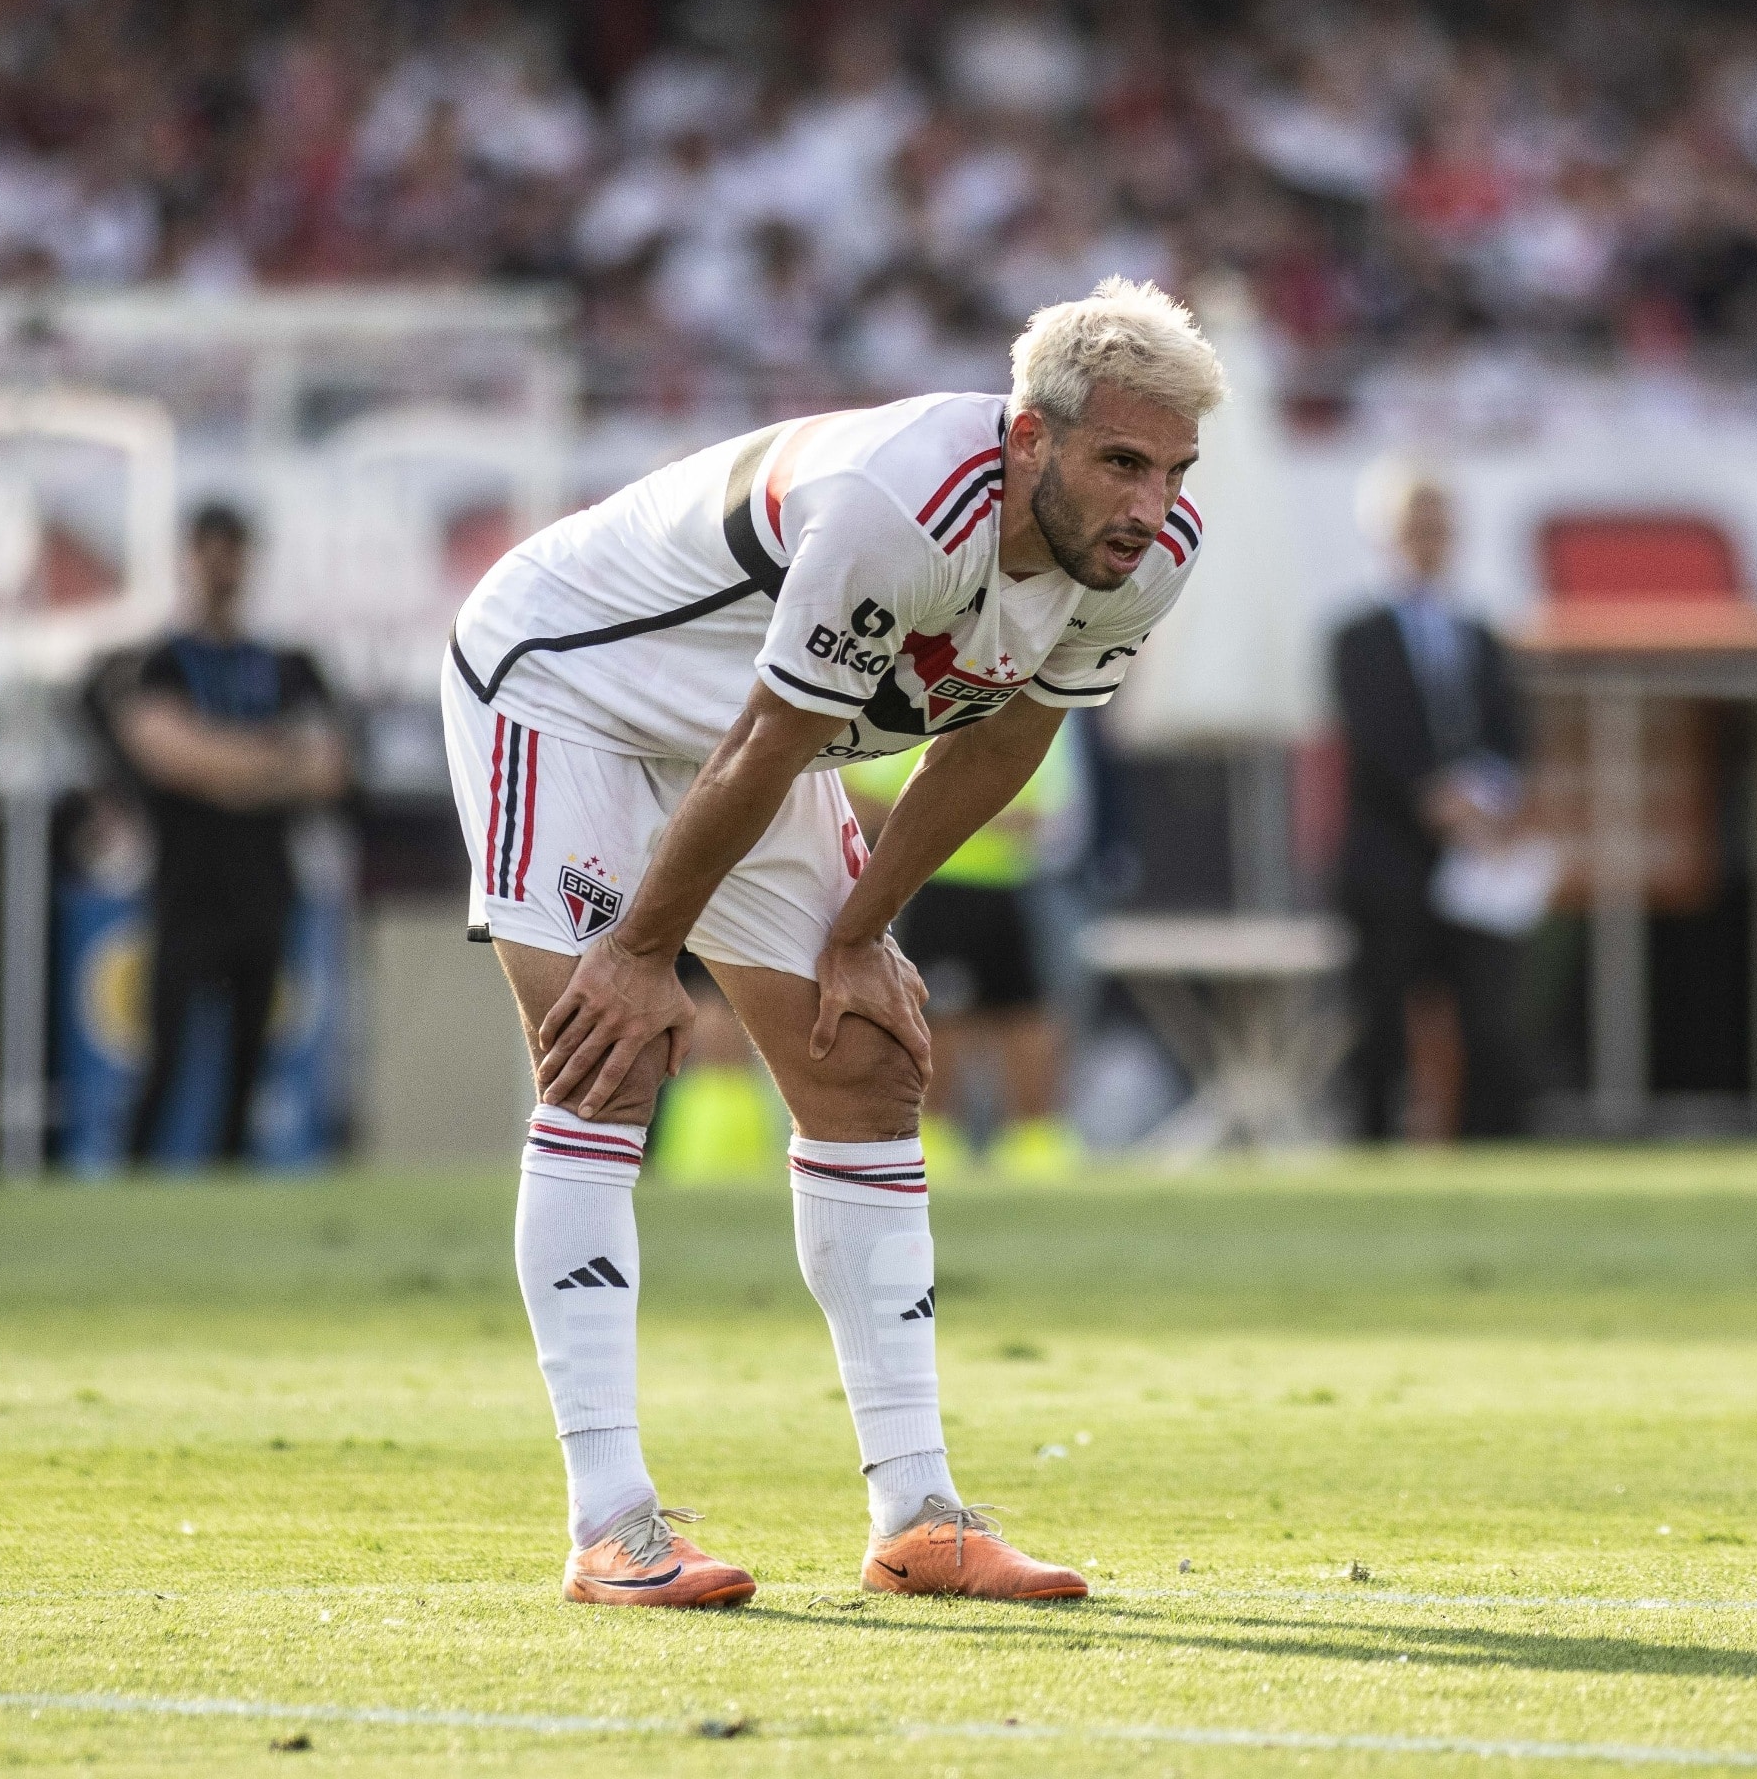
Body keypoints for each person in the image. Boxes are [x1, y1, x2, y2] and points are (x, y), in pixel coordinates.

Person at [443, 277, 1219, 1608]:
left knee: (860, 1061)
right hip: (565, 687)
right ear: (1031, 437)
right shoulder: (901, 502)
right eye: (1120, 462)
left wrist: (863, 933)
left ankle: (919, 1513)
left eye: (1173, 469)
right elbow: (765, 743)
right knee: (601, 1061)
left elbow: (1010, 738)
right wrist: (639, 953)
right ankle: (611, 1523)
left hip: (754, 737)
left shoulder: (1142, 555)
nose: (1149, 506)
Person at [94, 503, 346, 1165]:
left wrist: (217, 765)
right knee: (164, 1050)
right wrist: (272, 762)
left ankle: (229, 1180)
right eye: (209, 551)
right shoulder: (159, 662)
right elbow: (165, 755)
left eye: (232, 551)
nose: (221, 568)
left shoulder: (288, 663)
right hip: (184, 884)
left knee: (250, 1057)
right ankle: (136, 1180)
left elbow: (329, 768)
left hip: (264, 885)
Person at [1329, 471, 1532, 1142]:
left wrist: (1486, 800)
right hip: (1388, 860)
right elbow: (1374, 736)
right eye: (1417, 525)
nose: (1430, 540)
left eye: (1440, 525)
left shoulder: (1481, 635)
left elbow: (1510, 734)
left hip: (1471, 862)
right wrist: (1435, 797)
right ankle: (1373, 1153)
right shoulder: (1356, 635)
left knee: (1486, 1019)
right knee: (1379, 1023)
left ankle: (1482, 1152)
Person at [841, 720, 1081, 1178]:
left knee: (1025, 1016)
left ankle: (1036, 1148)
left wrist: (940, 812)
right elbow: (858, 796)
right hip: (931, 889)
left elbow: (1041, 813)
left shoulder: (1037, 700)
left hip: (1009, 887)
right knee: (937, 1019)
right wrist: (966, 812)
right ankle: (933, 1143)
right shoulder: (921, 704)